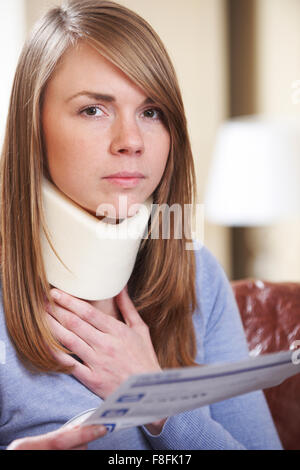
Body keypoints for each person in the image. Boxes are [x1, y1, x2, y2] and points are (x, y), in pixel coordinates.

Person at [0, 0, 282, 450]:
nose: (131, 141)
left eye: (151, 112)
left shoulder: (197, 274)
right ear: (33, 128)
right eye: (94, 109)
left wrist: (161, 403)